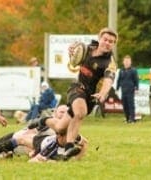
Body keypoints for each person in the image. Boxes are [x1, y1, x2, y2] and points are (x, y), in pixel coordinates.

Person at [38, 27, 118, 160]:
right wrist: (72, 53)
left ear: (114, 44)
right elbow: (73, 62)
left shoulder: (110, 63)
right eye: (105, 39)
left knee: (60, 128)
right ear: (100, 39)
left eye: (111, 41)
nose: (107, 43)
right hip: (77, 87)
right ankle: (69, 147)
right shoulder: (87, 48)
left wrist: (103, 94)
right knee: (80, 112)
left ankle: (42, 121)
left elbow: (108, 81)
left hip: (91, 97)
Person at [116, 55, 139, 123]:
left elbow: (136, 80)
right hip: (123, 90)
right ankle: (127, 118)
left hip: (130, 90)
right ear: (123, 62)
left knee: (131, 105)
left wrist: (137, 87)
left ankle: (132, 119)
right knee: (125, 105)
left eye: (128, 61)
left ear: (130, 62)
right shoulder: (121, 71)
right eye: (125, 61)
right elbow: (119, 80)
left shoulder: (133, 70)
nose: (126, 63)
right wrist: (117, 88)